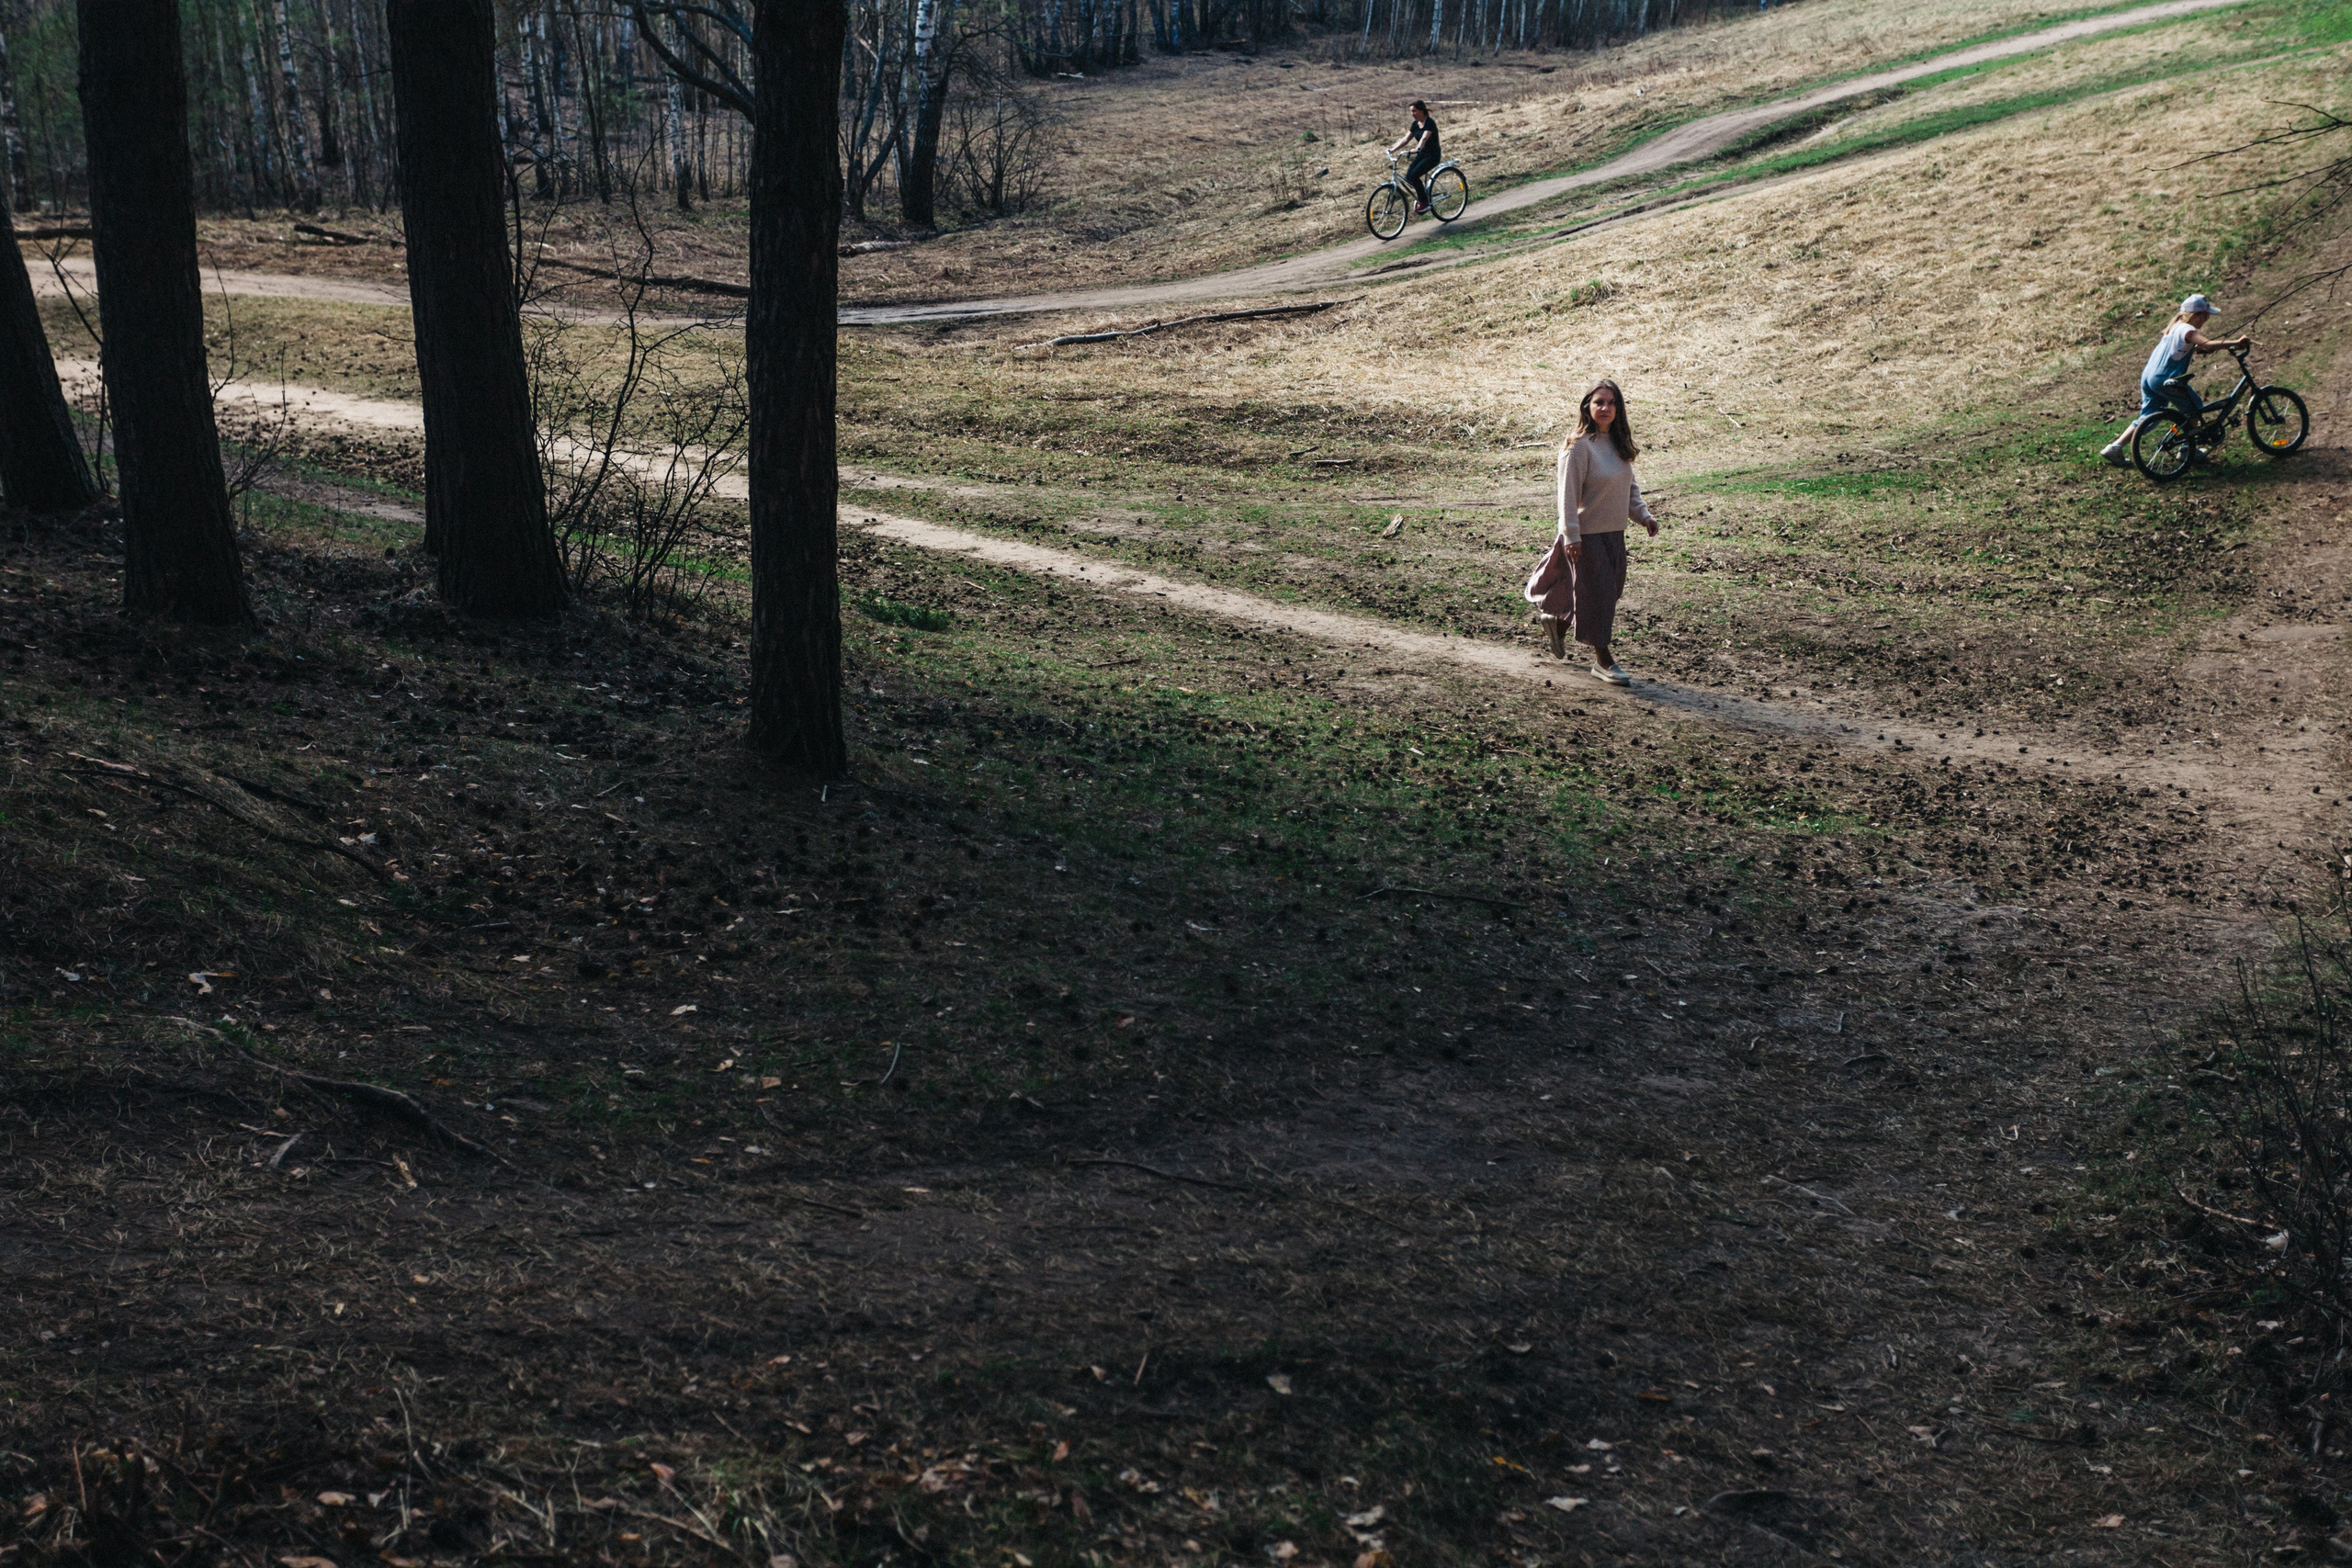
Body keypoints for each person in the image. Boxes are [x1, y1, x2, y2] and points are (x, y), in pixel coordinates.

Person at [1524, 378, 1657, 685]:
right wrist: (1571, 535)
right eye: (1599, 402)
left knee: (1607, 594)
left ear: (1619, 409)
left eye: (1612, 403)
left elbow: (1629, 488)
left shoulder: (1617, 444)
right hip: (1586, 537)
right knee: (1598, 597)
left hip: (1614, 534)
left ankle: (1556, 626)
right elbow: (1567, 496)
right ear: (1587, 406)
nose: (1606, 408)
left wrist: (1644, 516)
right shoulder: (1578, 447)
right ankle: (1603, 661)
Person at [2100, 293, 2250, 467]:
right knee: (2194, 407)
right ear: (2196, 315)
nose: (2207, 320)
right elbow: (2207, 344)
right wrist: (2237, 343)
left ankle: (2115, 447)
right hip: (2165, 378)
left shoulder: (2175, 326)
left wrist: (2198, 350)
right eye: (2205, 316)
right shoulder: (2187, 329)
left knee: (2149, 416)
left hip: (2150, 377)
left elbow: (2185, 349)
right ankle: (2186, 450)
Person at [1387, 100, 1441, 214]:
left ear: (1421, 111)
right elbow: (1405, 139)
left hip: (1432, 155)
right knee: (1409, 178)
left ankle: (1425, 203)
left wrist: (1418, 149)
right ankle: (1423, 196)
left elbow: (1424, 138)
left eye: (1414, 111)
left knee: (1415, 176)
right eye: (1411, 111)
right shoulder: (1415, 124)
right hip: (1422, 155)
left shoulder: (1429, 123)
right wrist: (1393, 149)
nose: (1412, 114)